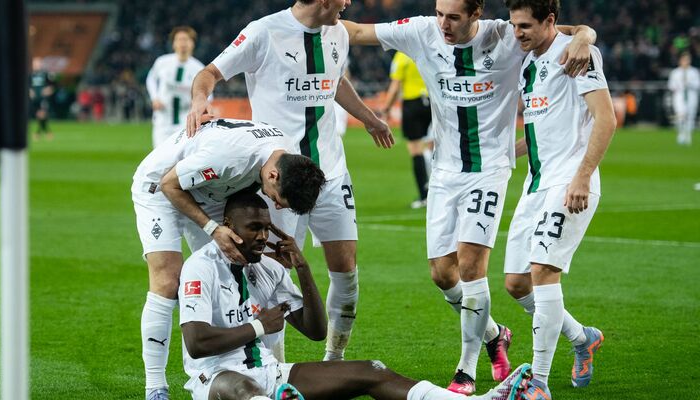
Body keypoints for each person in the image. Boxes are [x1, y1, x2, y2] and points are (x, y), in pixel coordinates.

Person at [342, 0, 596, 393]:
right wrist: (306, 22)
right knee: (443, 275)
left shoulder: (506, 35)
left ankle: (466, 369)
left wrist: (585, 34)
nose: (443, 23)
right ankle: (496, 333)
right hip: (444, 171)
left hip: (489, 170)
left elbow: (563, 31)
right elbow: (356, 31)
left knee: (472, 265)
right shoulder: (421, 31)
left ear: (476, 15)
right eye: (440, 13)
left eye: (454, 16)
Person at [187, 0, 395, 363]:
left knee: (346, 270)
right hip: (278, 179)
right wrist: (199, 103)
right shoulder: (262, 32)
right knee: (271, 273)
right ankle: (275, 367)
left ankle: (335, 359)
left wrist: (369, 117)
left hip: (330, 171)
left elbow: (334, 81)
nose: (348, 3)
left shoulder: (338, 33)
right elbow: (209, 74)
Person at [178, 190, 534, 400]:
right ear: (228, 227)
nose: (261, 236)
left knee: (373, 370)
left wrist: (302, 268)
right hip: (215, 379)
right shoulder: (201, 267)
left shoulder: (268, 268)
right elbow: (195, 343)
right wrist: (258, 327)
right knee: (241, 388)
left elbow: (316, 330)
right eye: (253, 228)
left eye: (265, 228)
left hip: (272, 373)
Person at [131, 118, 326, 400]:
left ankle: (255, 369)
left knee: (238, 265)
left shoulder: (285, 157)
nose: (277, 204)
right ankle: (156, 387)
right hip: (161, 188)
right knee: (168, 279)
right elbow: (170, 184)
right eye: (277, 198)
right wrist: (212, 229)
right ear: (273, 176)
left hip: (209, 190)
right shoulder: (229, 157)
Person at [503, 1, 616, 398]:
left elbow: (606, 118)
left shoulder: (576, 54)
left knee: (543, 271)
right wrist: (500, 153)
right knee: (517, 284)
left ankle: (538, 383)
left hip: (568, 182)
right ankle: (582, 337)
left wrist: (582, 176)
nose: (518, 33)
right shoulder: (530, 63)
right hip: (535, 184)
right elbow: (540, 132)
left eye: (526, 26)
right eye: (515, 25)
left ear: (551, 21)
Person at [380, 51, 434, 209]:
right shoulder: (428, 50)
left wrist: (386, 109)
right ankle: (441, 192)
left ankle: (424, 195)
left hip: (412, 104)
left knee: (416, 150)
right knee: (436, 148)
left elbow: (395, 85)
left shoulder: (402, 56)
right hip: (433, 102)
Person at [146, 26, 206, 148]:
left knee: (181, 160)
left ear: (193, 43)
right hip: (163, 119)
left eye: (186, 39)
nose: (182, 43)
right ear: (173, 44)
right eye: (179, 39)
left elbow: (208, 95)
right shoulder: (162, 62)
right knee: (159, 158)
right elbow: (151, 79)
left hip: (186, 121)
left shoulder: (199, 68)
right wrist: (155, 98)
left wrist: (197, 106)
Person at [667, 52, 699, 146]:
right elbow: (671, 85)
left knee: (690, 116)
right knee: (680, 115)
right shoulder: (675, 72)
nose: (686, 61)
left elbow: (698, 85)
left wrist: (689, 84)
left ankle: (688, 135)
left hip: (691, 95)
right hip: (679, 96)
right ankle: (681, 134)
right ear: (680, 61)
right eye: (684, 59)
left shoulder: (694, 72)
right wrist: (678, 85)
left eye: (687, 59)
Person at [29, 57, 55, 141]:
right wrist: (29, 91)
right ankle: (45, 132)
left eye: (38, 63)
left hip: (43, 97)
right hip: (35, 98)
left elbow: (52, 86)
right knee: (39, 116)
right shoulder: (30, 74)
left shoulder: (45, 74)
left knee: (42, 114)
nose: (37, 65)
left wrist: (48, 90)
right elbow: (27, 85)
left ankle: (40, 133)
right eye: (35, 63)